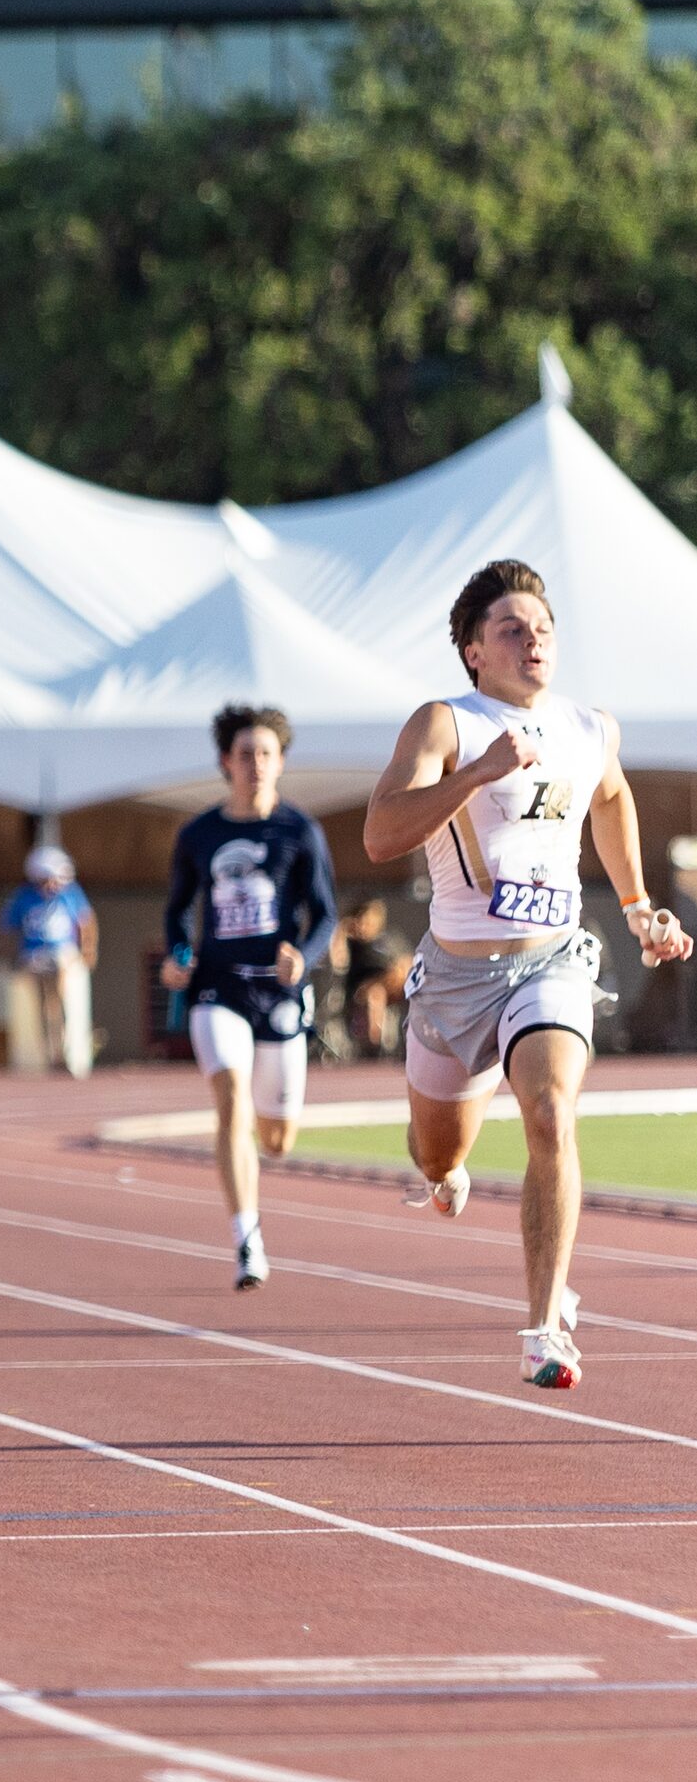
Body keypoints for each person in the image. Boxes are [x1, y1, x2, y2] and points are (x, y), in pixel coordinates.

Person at [362, 558, 690, 1389]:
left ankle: (544, 1326)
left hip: (549, 963)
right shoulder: (445, 724)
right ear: (474, 650)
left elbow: (609, 797)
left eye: (541, 628)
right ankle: (443, 1172)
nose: (531, 640)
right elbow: (378, 834)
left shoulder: (588, 728)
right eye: (511, 628)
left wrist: (636, 904)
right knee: (436, 1153)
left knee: (549, 1111)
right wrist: (473, 774)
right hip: (454, 982)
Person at [157, 704, 339, 1292]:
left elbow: (326, 913)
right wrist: (179, 956)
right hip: (219, 988)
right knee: (230, 1101)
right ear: (224, 763)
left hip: (279, 993)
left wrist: (303, 955)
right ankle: (246, 1237)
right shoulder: (199, 834)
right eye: (244, 755)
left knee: (276, 1140)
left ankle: (255, 1181)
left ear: (281, 762)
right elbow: (177, 909)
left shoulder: (298, 831)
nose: (255, 764)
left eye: (265, 753)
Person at [2, 845, 99, 1076]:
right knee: (45, 1007)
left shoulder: (70, 893)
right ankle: (52, 1054)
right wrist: (9, 960)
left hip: (61, 954)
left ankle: (67, 1053)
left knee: (61, 997)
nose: (54, 885)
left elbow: (87, 922)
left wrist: (89, 950)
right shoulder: (23, 897)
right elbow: (7, 929)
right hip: (34, 956)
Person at [335, 898, 411, 1057]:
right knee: (375, 993)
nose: (366, 924)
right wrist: (342, 930)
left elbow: (407, 960)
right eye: (363, 919)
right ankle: (373, 1048)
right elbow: (338, 961)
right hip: (363, 989)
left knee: (410, 981)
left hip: (393, 985)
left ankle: (413, 1042)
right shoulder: (353, 943)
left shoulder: (389, 939)